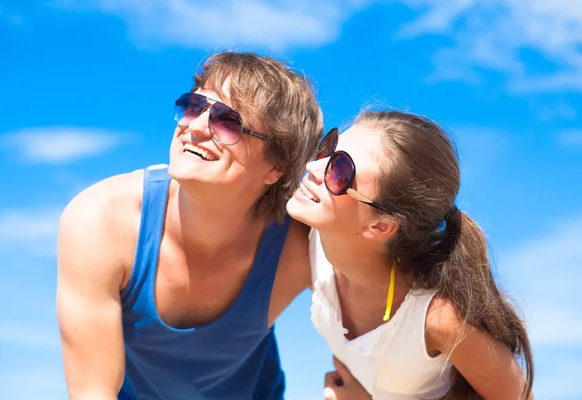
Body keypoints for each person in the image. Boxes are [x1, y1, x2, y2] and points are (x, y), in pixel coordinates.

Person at [56, 51, 322, 400]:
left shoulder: (300, 244)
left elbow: (378, 327)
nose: (194, 127)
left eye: (228, 122)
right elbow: (93, 392)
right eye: (195, 106)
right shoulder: (101, 222)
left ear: (277, 167)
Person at [287, 112, 534, 399]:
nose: (312, 166)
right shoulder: (309, 241)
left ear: (381, 225)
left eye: (340, 170)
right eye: (327, 149)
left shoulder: (438, 319)